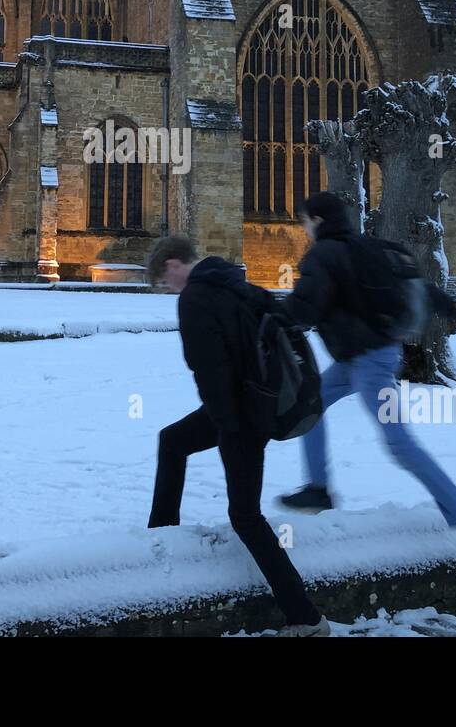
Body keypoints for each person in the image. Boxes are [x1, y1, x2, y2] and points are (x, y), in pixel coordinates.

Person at [277, 191, 456, 594]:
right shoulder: (372, 248)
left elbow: (304, 309)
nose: (303, 228)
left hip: (369, 364)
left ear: (314, 220)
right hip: (364, 357)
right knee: (307, 403)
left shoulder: (324, 255)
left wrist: (262, 316)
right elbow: (417, 286)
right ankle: (318, 488)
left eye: (303, 221)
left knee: (400, 445)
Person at [146, 234, 330, 637]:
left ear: (174, 264)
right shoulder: (240, 284)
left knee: (245, 516)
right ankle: (162, 534)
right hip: (249, 406)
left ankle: (306, 617)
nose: (167, 287)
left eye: (164, 279)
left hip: (241, 418)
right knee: (173, 440)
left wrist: (229, 427)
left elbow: (208, 370)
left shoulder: (194, 298)